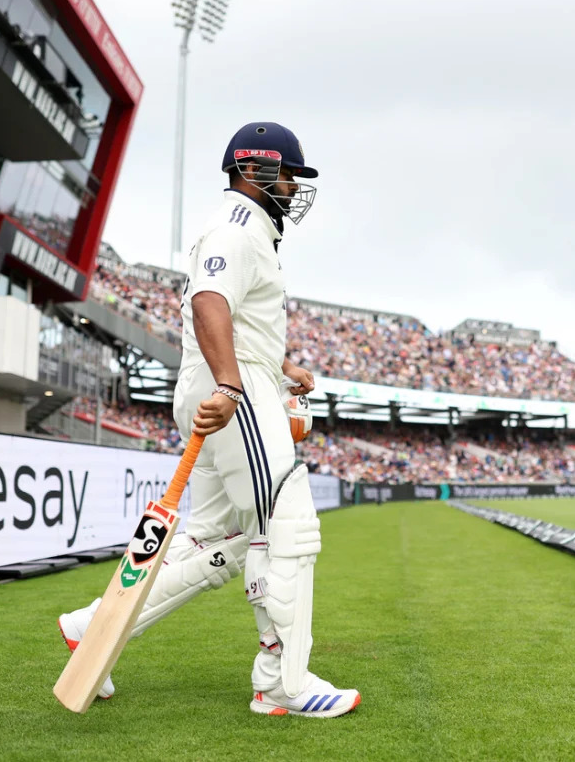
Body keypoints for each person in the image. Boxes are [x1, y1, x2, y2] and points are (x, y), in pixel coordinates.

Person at [57, 122, 360, 718]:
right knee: (286, 527)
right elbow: (209, 301)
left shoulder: (248, 230)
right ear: (255, 169)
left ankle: (93, 628)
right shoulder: (237, 226)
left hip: (236, 379)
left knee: (218, 540)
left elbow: (238, 318)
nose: (294, 186)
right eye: (289, 174)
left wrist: (281, 366)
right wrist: (231, 383)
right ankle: (282, 684)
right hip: (236, 392)